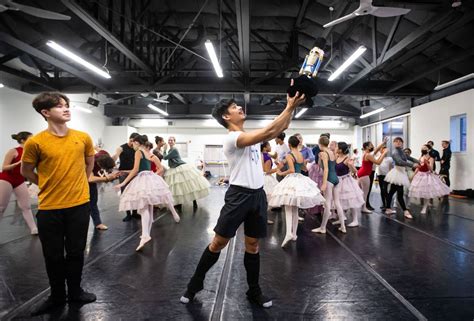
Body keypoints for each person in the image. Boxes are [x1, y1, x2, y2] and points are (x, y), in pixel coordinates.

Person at [180, 84, 306, 308]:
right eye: (235, 107)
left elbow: (277, 130)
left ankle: (254, 291)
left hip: (257, 196)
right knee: (219, 242)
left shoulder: (248, 135)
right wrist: (288, 106)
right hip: (238, 196)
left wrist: (292, 109)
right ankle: (194, 284)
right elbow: (269, 132)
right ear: (226, 116)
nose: (240, 108)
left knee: (253, 245)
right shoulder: (231, 138)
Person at [21, 92, 96, 315]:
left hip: (79, 205)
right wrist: (46, 183)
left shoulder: (82, 137)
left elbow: (89, 164)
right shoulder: (35, 142)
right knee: (53, 256)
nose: (66, 109)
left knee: (75, 252)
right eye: (59, 106)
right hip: (50, 207)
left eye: (67, 105)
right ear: (45, 113)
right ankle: (56, 296)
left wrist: (78, 183)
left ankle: (75, 292)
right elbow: (26, 171)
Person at [116, 134, 180, 251]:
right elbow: (156, 168)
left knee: (144, 207)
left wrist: (123, 182)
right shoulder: (150, 154)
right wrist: (153, 176)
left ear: (136, 143)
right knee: (148, 208)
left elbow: (135, 170)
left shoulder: (138, 152)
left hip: (143, 179)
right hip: (150, 177)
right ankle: (146, 234)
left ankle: (145, 235)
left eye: (133, 143)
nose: (132, 146)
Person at [269, 135, 324, 247]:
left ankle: (289, 233)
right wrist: (279, 164)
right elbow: (303, 168)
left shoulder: (290, 154)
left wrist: (281, 173)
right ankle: (294, 234)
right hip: (299, 179)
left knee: (288, 208)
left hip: (292, 179)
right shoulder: (300, 154)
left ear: (289, 144)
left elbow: (291, 170)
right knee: (295, 209)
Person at [0, 131, 38, 234]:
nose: (33, 140)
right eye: (31, 138)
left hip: (19, 180)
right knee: (1, 207)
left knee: (26, 206)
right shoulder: (13, 151)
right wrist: (18, 163)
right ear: (22, 140)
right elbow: (4, 167)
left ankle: (34, 229)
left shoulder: (31, 153)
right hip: (6, 179)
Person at [163, 136, 210, 211]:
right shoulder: (171, 149)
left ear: (174, 142)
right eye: (169, 140)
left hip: (179, 167)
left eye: (172, 140)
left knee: (187, 186)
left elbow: (165, 157)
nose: (170, 141)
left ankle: (193, 202)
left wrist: (164, 150)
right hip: (174, 168)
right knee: (179, 187)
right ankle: (179, 204)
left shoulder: (174, 149)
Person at [312, 136, 346, 234]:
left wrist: (323, 183)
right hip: (336, 178)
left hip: (329, 179)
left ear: (320, 143)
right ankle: (343, 226)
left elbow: (325, 169)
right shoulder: (332, 152)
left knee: (327, 204)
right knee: (337, 203)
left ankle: (322, 228)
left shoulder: (323, 153)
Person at [409, 145, 450, 214]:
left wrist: (426, 163)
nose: (423, 149)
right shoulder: (421, 157)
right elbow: (418, 167)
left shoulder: (431, 158)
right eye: (422, 148)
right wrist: (413, 175)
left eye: (425, 148)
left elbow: (431, 169)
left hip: (427, 175)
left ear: (428, 150)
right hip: (420, 175)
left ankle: (425, 206)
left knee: (427, 192)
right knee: (421, 191)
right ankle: (426, 204)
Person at [384, 137, 419, 219]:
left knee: (392, 192)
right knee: (400, 193)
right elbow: (400, 161)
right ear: (394, 143)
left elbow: (410, 158)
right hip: (397, 173)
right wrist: (412, 165)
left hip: (401, 173)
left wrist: (419, 161)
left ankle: (388, 208)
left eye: (400, 141)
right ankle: (405, 211)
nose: (398, 143)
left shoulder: (402, 151)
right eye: (396, 141)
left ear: (402, 143)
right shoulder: (395, 152)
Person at [333, 142, 365, 228]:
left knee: (350, 200)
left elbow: (355, 171)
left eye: (336, 147)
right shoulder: (336, 157)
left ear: (340, 149)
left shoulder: (347, 159)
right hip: (337, 180)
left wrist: (351, 165)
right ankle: (341, 217)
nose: (335, 148)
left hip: (346, 181)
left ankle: (355, 220)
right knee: (339, 200)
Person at [88, 150, 120, 230]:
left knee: (93, 203)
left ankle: (98, 223)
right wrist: (106, 178)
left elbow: (98, 148)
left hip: (93, 180)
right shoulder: (91, 161)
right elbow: (90, 179)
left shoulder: (104, 153)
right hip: (83, 181)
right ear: (99, 164)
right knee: (86, 205)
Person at [112, 133, 140, 222]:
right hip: (124, 173)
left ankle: (135, 213)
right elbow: (115, 156)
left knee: (135, 193)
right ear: (129, 139)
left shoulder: (137, 149)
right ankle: (128, 214)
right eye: (131, 141)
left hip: (134, 173)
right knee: (125, 194)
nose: (132, 144)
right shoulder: (121, 148)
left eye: (134, 142)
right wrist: (114, 157)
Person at [357, 140, 387, 213]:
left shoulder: (366, 154)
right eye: (371, 145)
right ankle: (364, 208)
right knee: (365, 193)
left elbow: (376, 150)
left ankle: (362, 207)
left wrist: (383, 143)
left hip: (361, 173)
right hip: (364, 174)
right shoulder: (368, 155)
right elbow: (378, 162)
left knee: (362, 192)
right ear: (367, 147)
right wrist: (384, 153)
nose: (373, 146)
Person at [260, 141, 279, 224]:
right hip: (266, 178)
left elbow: (274, 155)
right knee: (266, 200)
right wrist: (277, 168)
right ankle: (264, 218)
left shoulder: (263, 155)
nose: (270, 147)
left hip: (261, 178)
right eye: (269, 145)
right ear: (264, 148)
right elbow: (267, 171)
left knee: (263, 200)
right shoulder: (267, 157)